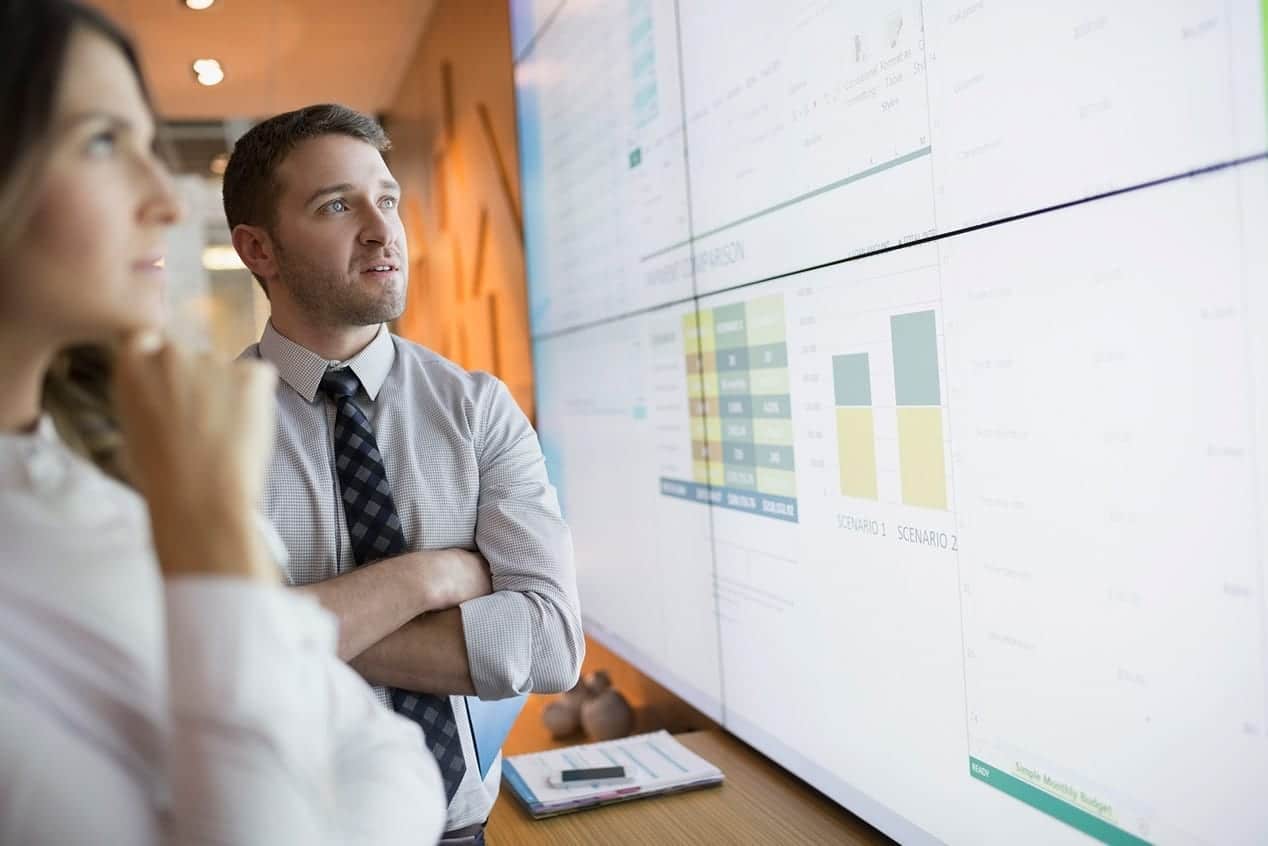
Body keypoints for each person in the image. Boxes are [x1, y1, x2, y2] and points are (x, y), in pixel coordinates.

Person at [0, 2, 446, 842]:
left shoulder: (122, 466)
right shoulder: (193, 472)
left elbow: (394, 758)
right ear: (257, 250)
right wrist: (213, 538)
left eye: (387, 198)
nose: (166, 198)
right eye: (101, 141)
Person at [225, 104, 584, 841]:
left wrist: (283, 630)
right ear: (258, 249)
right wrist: (425, 580)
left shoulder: (479, 410)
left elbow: (550, 641)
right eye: (336, 205)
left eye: (386, 199)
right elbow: (209, 672)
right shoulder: (207, 437)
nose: (381, 228)